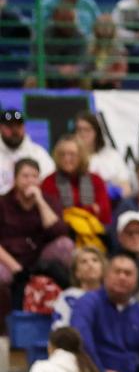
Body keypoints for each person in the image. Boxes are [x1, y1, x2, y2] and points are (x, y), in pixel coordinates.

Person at [0, 157, 74, 311]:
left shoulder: (49, 201)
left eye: (34, 176)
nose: (30, 181)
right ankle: (6, 320)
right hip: (10, 259)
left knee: (66, 245)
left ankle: (68, 304)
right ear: (15, 180)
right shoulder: (3, 202)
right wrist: (15, 268)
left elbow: (59, 232)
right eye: (25, 176)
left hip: (40, 257)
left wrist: (40, 201)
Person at [42, 133, 112, 224]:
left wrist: (70, 212)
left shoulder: (96, 180)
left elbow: (105, 216)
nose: (66, 159)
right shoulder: (49, 181)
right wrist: (91, 209)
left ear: (81, 156)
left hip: (92, 229)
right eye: (62, 154)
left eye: (72, 154)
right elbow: (52, 215)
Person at [0, 106, 54, 191]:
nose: (15, 130)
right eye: (10, 126)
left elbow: (50, 183)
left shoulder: (38, 153)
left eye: (18, 126)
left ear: (24, 127)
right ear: (1, 127)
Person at [52, 245, 106, 327]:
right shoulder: (69, 296)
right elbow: (59, 327)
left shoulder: (111, 296)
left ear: (103, 269)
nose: (90, 264)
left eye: (95, 260)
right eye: (84, 262)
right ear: (77, 273)